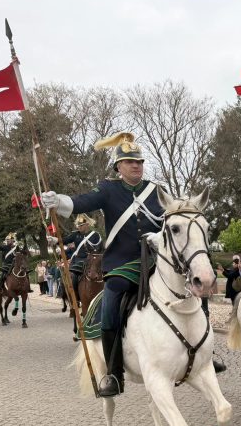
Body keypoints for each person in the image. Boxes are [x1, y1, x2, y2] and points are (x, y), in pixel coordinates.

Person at [41, 131, 165, 397]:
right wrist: (59, 200)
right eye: (130, 162)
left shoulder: (155, 190)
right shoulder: (108, 189)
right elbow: (83, 201)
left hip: (156, 259)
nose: (136, 166)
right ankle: (114, 373)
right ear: (118, 166)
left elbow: (171, 215)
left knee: (193, 283)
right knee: (110, 303)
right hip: (123, 264)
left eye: (139, 161)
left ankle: (203, 353)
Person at [62, 214, 103, 300]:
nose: (79, 227)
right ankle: (75, 297)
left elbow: (100, 249)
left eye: (81, 225)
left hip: (92, 261)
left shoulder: (95, 235)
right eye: (78, 225)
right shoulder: (75, 235)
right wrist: (54, 240)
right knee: (73, 277)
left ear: (87, 224)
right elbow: (64, 241)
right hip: (79, 261)